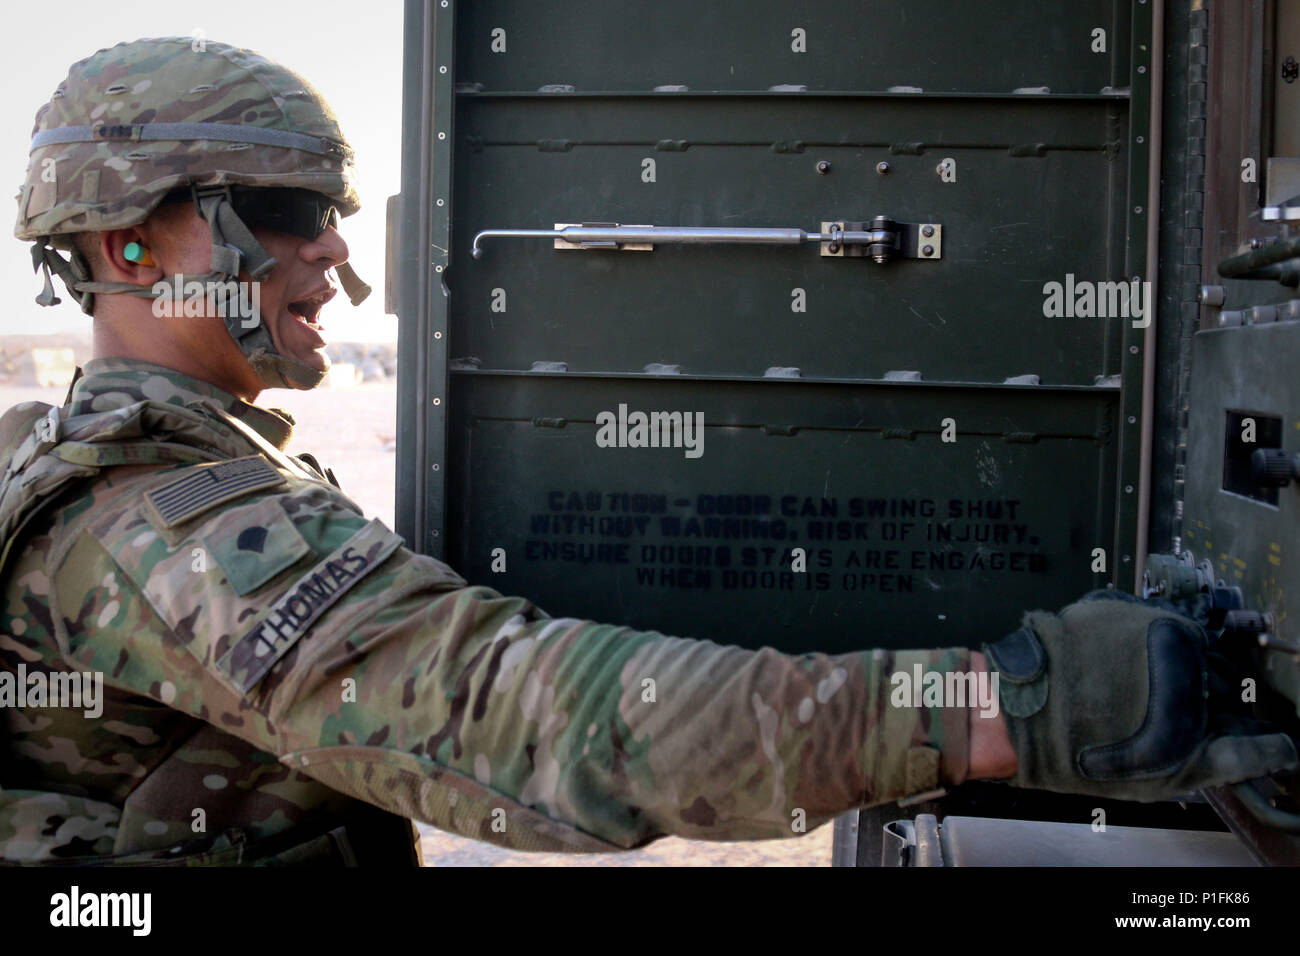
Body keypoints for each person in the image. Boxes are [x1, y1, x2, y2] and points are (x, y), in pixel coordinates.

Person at [0, 36, 1292, 866]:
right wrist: (1017, 703)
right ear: (127, 247)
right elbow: (532, 726)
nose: (333, 249)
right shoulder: (171, 530)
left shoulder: (182, 469)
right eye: (284, 212)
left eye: (336, 213)